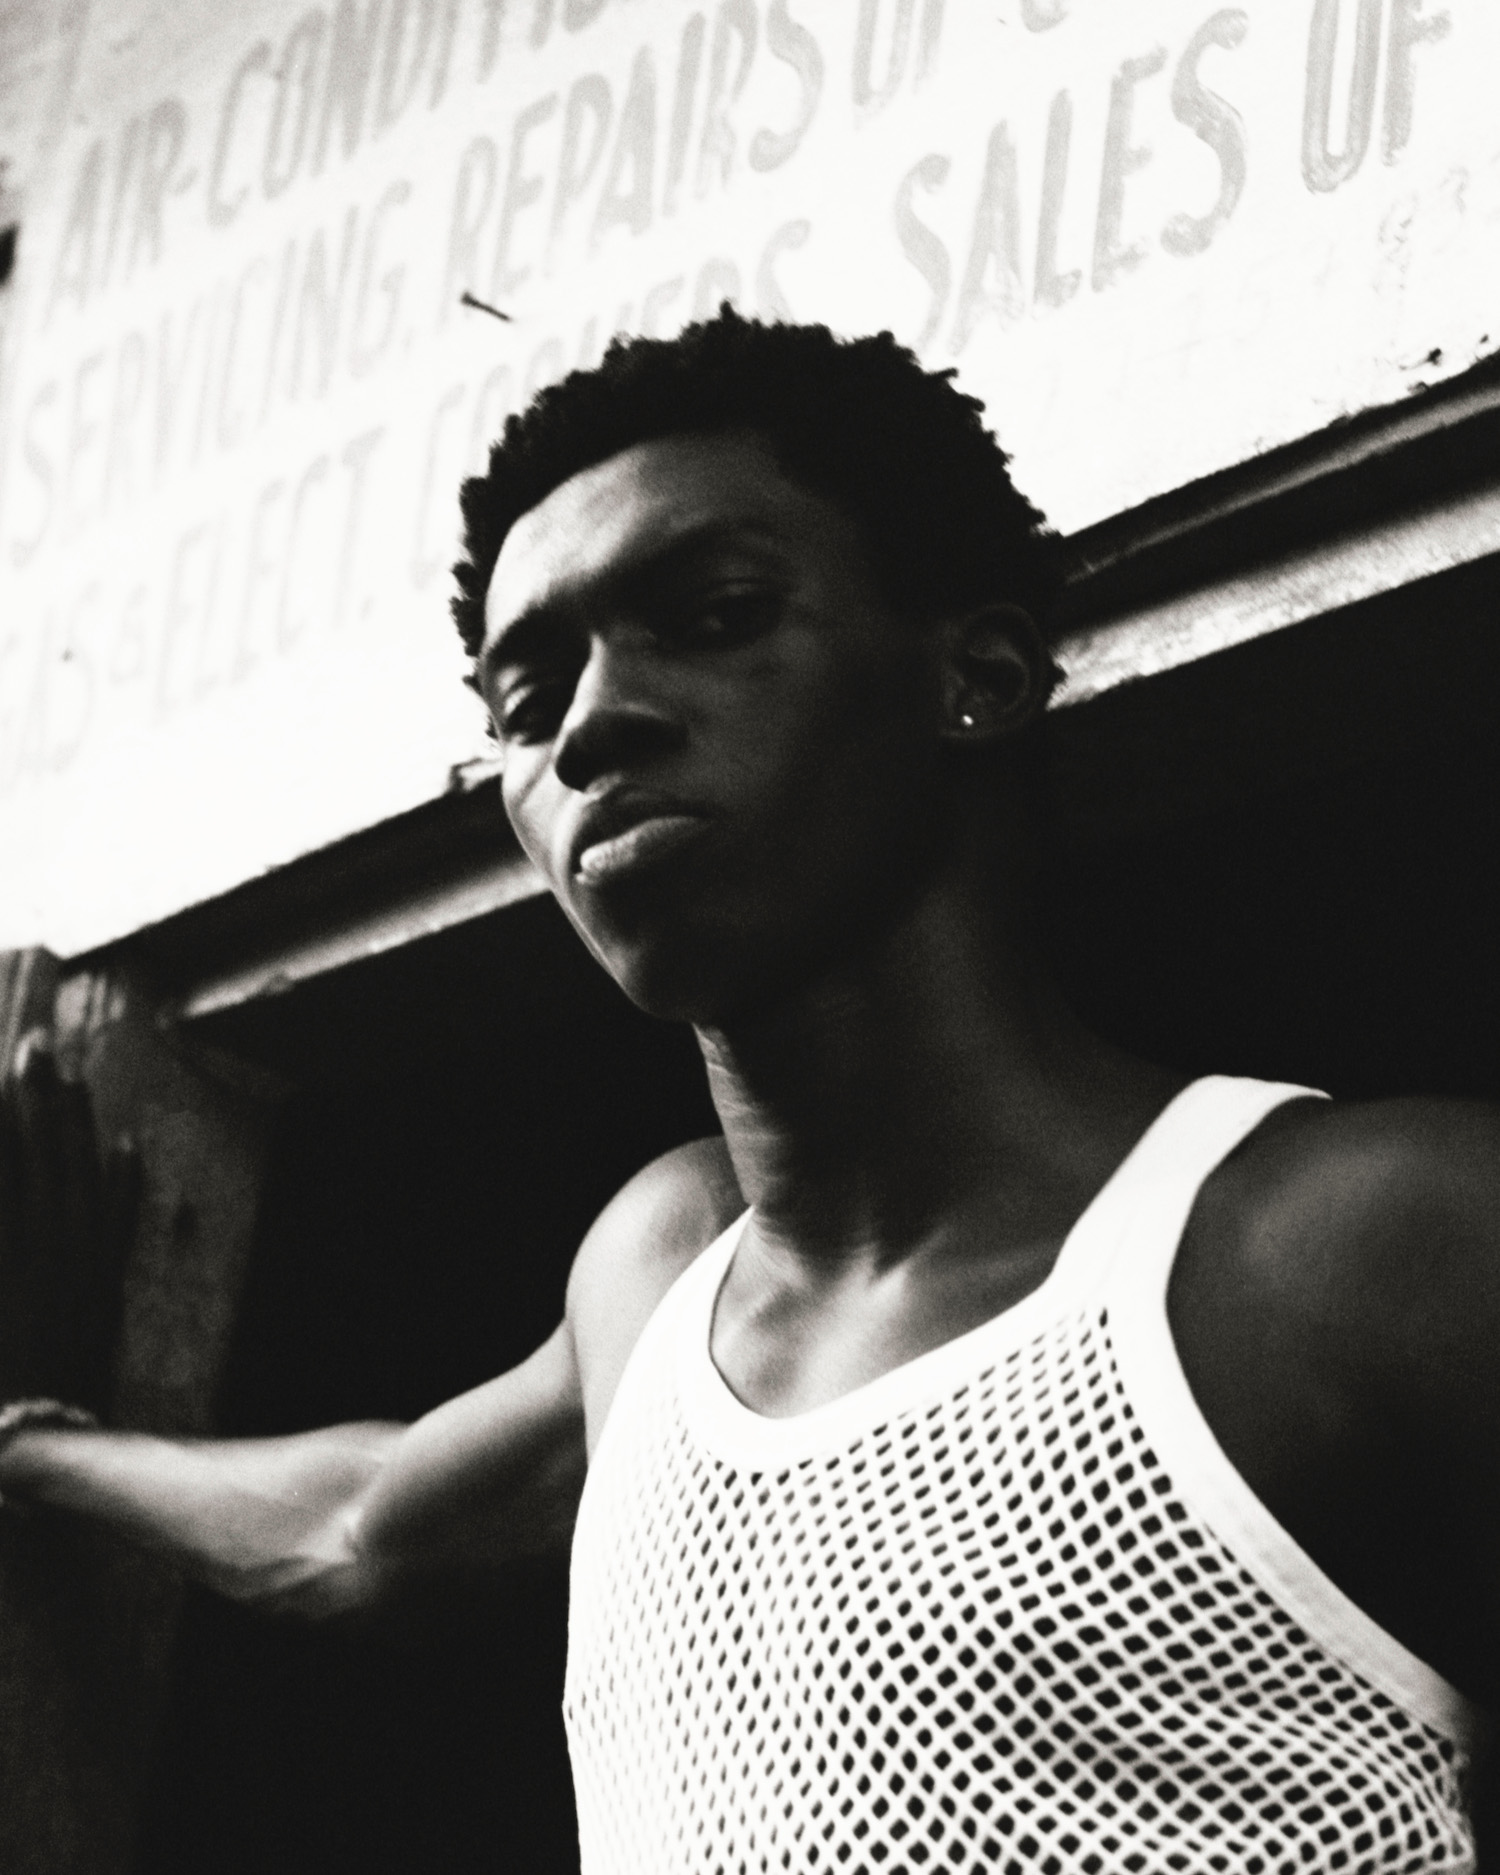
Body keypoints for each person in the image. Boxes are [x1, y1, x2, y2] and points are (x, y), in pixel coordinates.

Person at [1, 311, 1496, 1873]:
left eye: (713, 612)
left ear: (975, 675)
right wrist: (30, 1443)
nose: (589, 725)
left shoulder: (1365, 1246)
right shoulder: (654, 1272)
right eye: (525, 705)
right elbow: (363, 1523)